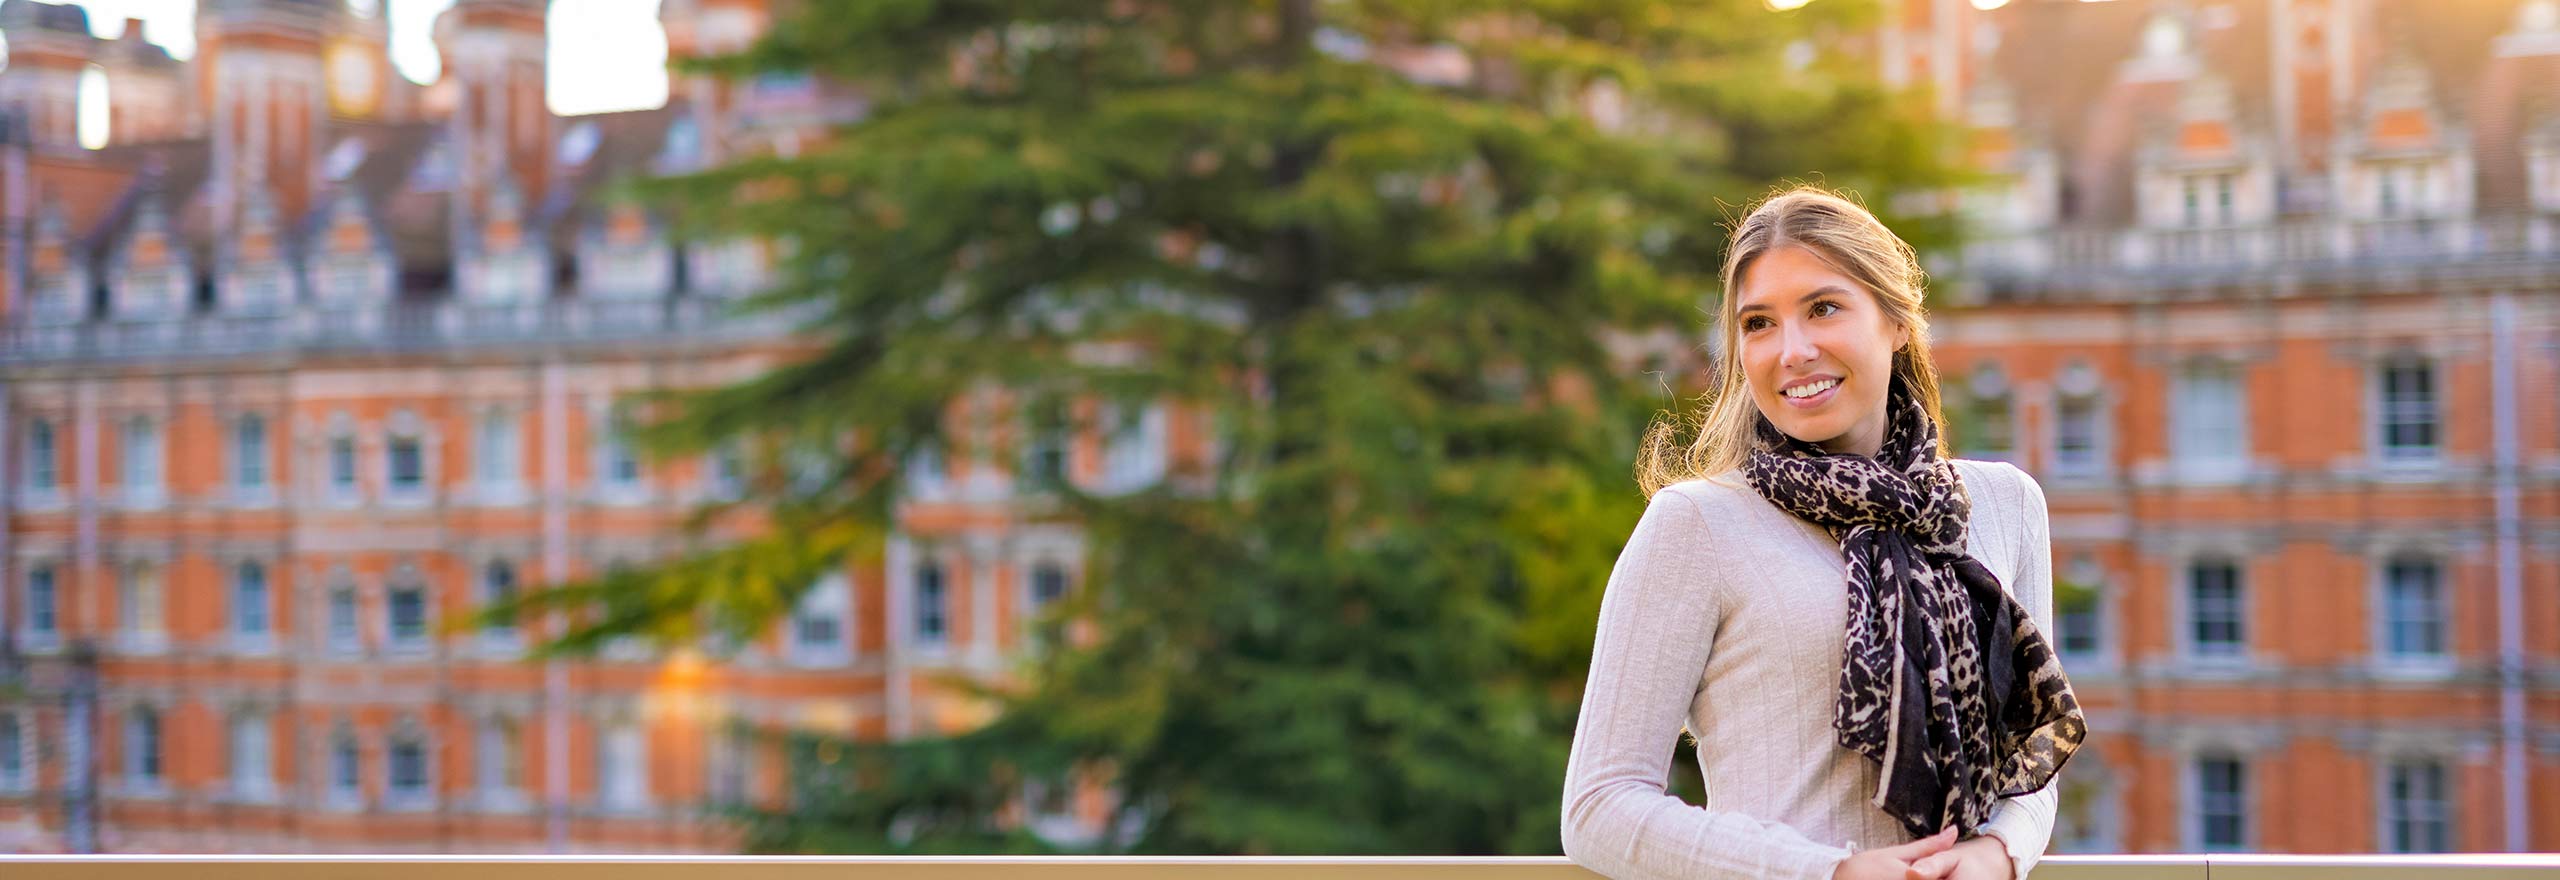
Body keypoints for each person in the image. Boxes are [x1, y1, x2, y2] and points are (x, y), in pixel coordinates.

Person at [1559, 186, 2087, 880]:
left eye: (1823, 308)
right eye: (1758, 323)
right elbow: (1599, 807)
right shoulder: (1698, 524)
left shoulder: (2004, 504)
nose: (1793, 350)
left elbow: (2029, 758)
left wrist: (1999, 853)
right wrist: (1827, 872)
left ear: (1897, 321)